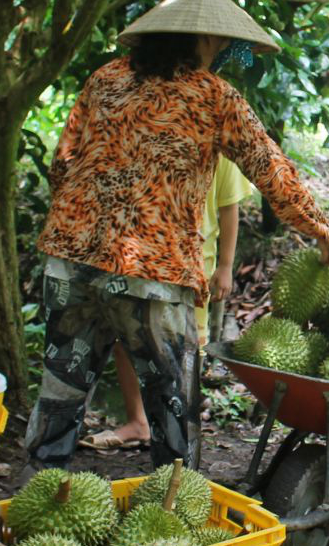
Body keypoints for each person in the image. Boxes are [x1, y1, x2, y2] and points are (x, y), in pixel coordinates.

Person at [25, 0, 329, 471]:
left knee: (59, 396)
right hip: (151, 275)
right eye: (219, 41)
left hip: (71, 265)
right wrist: (322, 233)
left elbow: (63, 165)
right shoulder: (213, 96)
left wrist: (89, 225)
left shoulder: (103, 80)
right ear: (201, 40)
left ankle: (38, 500)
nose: (222, 50)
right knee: (173, 406)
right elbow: (271, 170)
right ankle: (176, 515)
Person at [97, 157, 251, 447]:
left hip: (193, 271)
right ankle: (138, 422)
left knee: (185, 351)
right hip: (143, 262)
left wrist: (226, 267)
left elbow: (229, 209)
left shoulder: (220, 150)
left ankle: (180, 433)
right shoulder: (156, 132)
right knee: (127, 340)